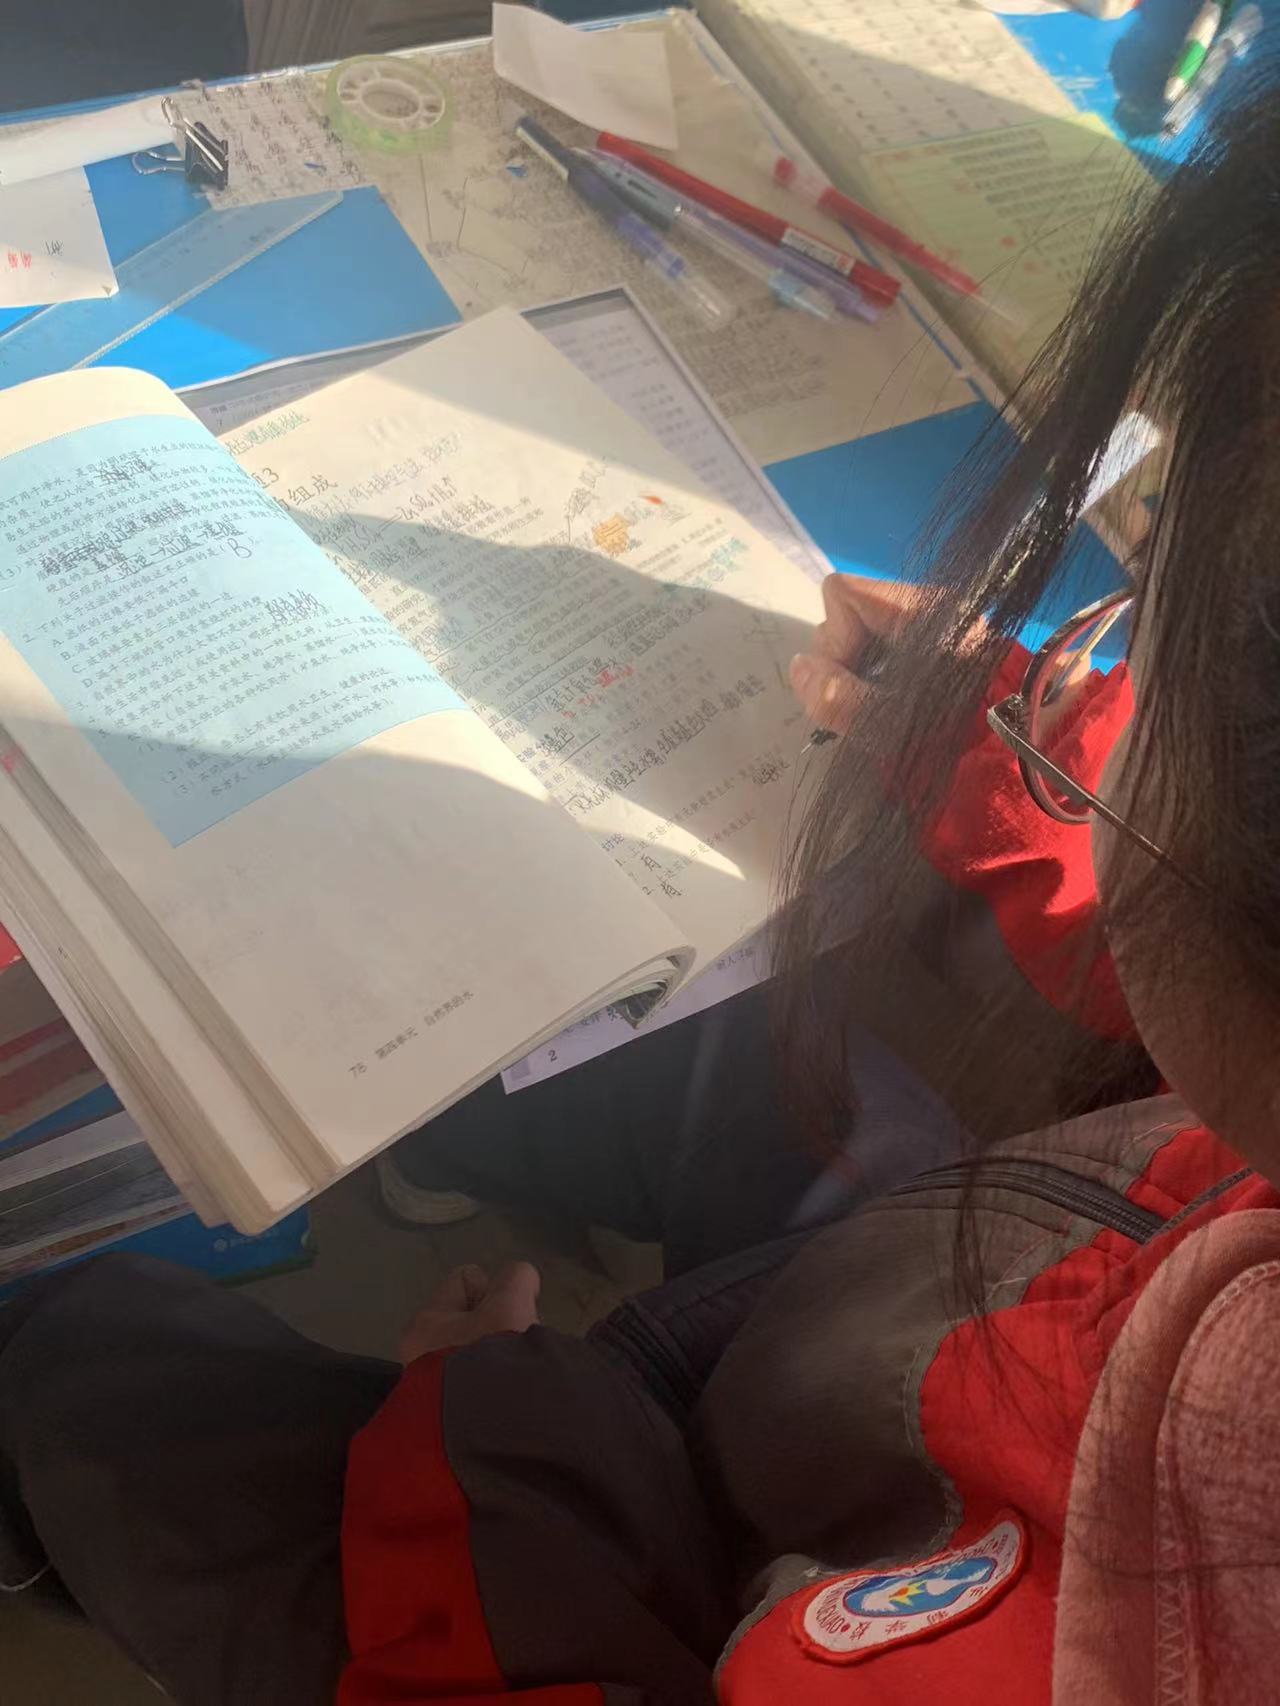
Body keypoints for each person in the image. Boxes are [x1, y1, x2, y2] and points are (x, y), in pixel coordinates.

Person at [3, 79, 1280, 1706]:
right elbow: (1178, 930)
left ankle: (38, 1491)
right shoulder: (1226, 1022)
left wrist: (481, 1433)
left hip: (618, 1571)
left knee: (93, 1368)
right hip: (967, 1276)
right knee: (647, 1026)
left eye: (1136, 647)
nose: (1104, 676)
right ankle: (450, 1151)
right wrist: (1011, 749)